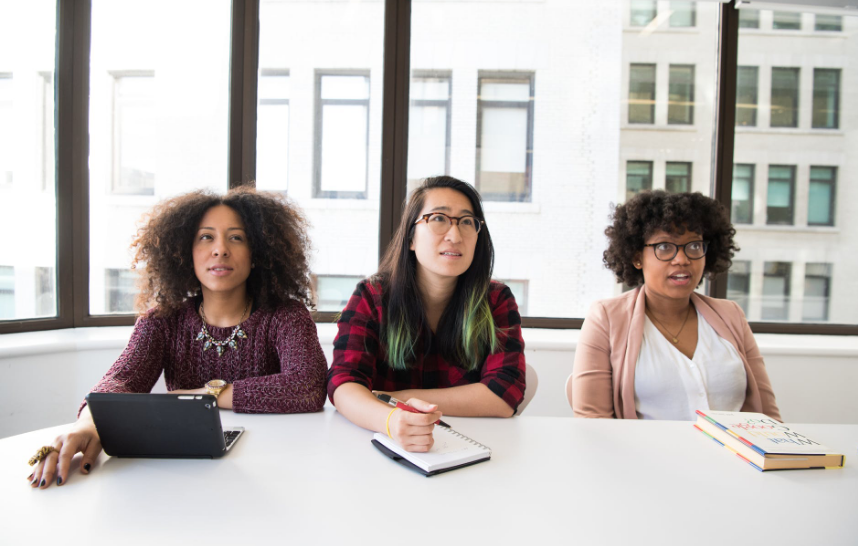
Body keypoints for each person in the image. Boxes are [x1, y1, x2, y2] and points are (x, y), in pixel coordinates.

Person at [28, 186, 328, 489]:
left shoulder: (286, 315)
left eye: (236, 237)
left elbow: (308, 385)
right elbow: (121, 381)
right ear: (186, 253)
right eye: (206, 237)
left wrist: (204, 396)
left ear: (258, 254)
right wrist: (88, 425)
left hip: (273, 469)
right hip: (184, 473)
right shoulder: (162, 321)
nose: (220, 249)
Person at [328, 176, 525, 452]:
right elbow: (344, 385)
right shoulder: (372, 297)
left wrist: (402, 398)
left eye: (467, 222)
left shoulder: (495, 300)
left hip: (469, 451)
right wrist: (391, 420)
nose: (455, 236)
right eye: (438, 219)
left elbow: (504, 395)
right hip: (380, 448)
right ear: (411, 237)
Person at [572, 190, 781, 421]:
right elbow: (593, 424)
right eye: (664, 247)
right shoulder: (606, 318)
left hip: (731, 457)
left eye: (693, 246)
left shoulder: (731, 315)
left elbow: (768, 417)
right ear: (636, 257)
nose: (682, 259)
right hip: (643, 456)